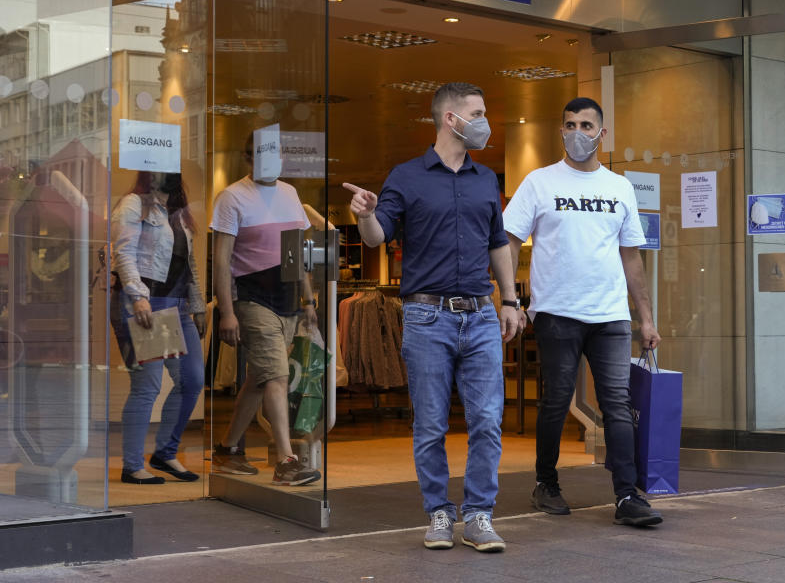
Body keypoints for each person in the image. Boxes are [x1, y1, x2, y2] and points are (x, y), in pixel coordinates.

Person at [343, 82, 521, 553]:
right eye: (479, 113)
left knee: (486, 419)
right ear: (451, 119)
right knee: (430, 424)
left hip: (482, 315)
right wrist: (363, 213)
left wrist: (510, 300)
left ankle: (479, 515)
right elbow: (378, 236)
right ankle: (439, 513)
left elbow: (498, 242)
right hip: (427, 316)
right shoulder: (405, 176)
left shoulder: (486, 179)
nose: (486, 122)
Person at [503, 96, 664, 527]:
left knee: (617, 403)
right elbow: (508, 241)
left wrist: (645, 317)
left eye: (587, 126)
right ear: (561, 131)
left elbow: (632, 257)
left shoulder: (619, 187)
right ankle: (546, 483)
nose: (578, 132)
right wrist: (508, 299)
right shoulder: (539, 183)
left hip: (610, 315)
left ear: (602, 134)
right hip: (556, 312)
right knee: (555, 400)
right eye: (570, 124)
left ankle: (627, 496)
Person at [210, 134, 320, 486]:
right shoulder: (232, 197)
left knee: (259, 379)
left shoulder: (290, 194)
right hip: (253, 299)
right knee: (276, 375)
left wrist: (308, 300)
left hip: (288, 301)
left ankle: (227, 451)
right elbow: (221, 261)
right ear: (248, 158)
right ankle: (287, 460)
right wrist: (227, 311)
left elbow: (299, 253)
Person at [111, 171, 206, 485]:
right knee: (148, 385)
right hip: (148, 303)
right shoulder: (133, 204)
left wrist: (197, 306)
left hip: (177, 307)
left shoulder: (178, 213)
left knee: (192, 380)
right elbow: (123, 252)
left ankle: (165, 452)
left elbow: (188, 265)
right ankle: (132, 465)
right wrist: (138, 297)